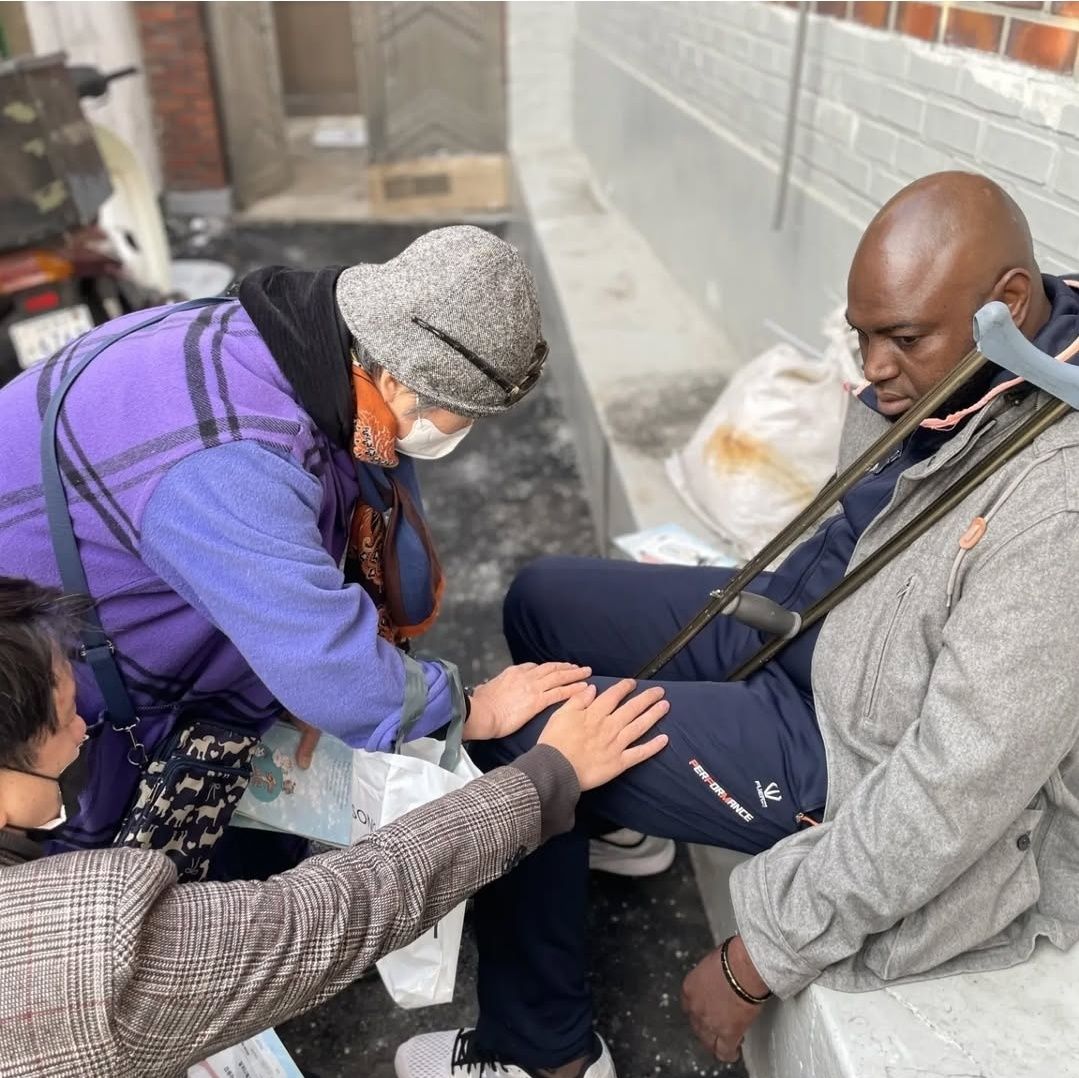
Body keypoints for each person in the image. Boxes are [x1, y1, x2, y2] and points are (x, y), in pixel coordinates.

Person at [395, 171, 1079, 1078]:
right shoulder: (968, 367)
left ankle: (541, 1052)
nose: (873, 366)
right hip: (820, 624)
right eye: (862, 335)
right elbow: (860, 530)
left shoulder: (1056, 508)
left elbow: (959, 785)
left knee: (529, 739)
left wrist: (759, 957)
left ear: (1009, 302)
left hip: (854, 743)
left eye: (902, 339)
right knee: (543, 599)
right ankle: (620, 825)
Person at [0, 225, 634, 877]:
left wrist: (283, 681)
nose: (462, 430)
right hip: (40, 682)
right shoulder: (231, 461)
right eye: (462, 415)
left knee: (235, 815)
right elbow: (335, 673)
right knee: (136, 888)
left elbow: (281, 597)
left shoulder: (281, 337)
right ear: (396, 380)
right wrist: (473, 709)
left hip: (97, 605)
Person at [0, 574, 670, 1076]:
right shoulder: (70, 957)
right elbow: (333, 913)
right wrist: (549, 778)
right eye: (64, 718)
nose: (84, 726)